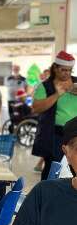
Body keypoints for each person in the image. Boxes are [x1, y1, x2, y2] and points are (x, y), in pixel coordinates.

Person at [32, 51, 77, 180]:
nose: (67, 73)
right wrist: (57, 94)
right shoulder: (45, 86)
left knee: (74, 167)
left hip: (75, 132)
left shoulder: (75, 84)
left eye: (69, 70)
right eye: (63, 70)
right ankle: (46, 195)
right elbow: (36, 107)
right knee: (51, 166)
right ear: (55, 68)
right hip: (54, 133)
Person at [6, 65, 27, 132]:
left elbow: (26, 89)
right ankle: (12, 131)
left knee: (20, 116)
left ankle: (19, 131)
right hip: (10, 100)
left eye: (17, 68)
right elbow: (8, 87)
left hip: (20, 100)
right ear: (12, 69)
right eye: (14, 68)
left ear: (19, 69)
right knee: (11, 115)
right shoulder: (8, 78)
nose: (16, 69)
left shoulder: (23, 79)